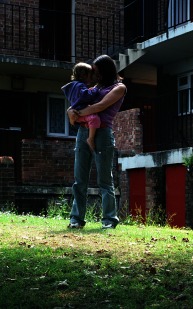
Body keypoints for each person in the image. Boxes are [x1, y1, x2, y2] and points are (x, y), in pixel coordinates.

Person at [67, 54, 127, 230]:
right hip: (83, 131)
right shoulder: (95, 87)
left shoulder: (119, 88)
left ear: (106, 71)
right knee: (80, 179)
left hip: (103, 134)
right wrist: (70, 110)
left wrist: (76, 113)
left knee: (104, 180)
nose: (95, 75)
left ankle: (109, 219)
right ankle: (76, 219)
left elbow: (99, 107)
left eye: (97, 72)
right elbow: (78, 102)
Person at [61, 62, 101, 151]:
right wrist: (95, 89)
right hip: (81, 113)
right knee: (95, 118)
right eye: (90, 75)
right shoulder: (80, 85)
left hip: (77, 113)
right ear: (83, 75)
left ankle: (89, 129)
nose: (91, 78)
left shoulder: (73, 86)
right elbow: (86, 96)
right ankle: (90, 138)